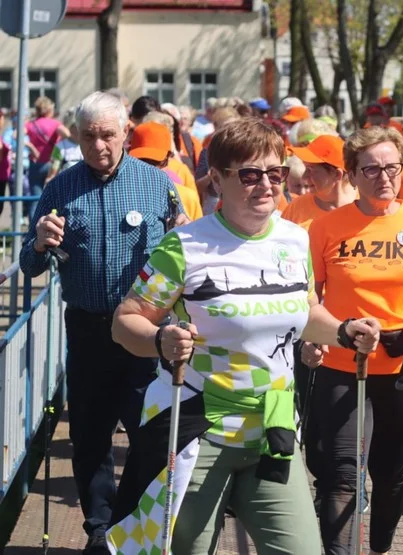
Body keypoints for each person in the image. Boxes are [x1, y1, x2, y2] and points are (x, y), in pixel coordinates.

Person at [106, 117, 381, 555]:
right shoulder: (184, 247)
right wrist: (161, 340)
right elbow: (126, 322)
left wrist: (345, 331)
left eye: (275, 174)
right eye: (250, 175)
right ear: (216, 178)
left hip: (272, 430)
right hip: (199, 430)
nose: (266, 185)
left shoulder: (294, 240)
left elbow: (306, 311)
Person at [18, 91, 185, 555]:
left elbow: (185, 253)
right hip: (89, 327)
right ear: (76, 136)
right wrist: (37, 244)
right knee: (90, 432)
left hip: (145, 326)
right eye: (89, 137)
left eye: (107, 135)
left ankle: (139, 520)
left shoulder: (158, 185)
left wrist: (183, 236)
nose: (99, 146)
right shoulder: (59, 188)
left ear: (125, 133)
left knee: (147, 428)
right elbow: (29, 267)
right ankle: (99, 525)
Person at [306, 126, 403, 554]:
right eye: (371, 169)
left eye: (392, 167)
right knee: (342, 476)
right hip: (342, 364)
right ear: (352, 174)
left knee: (388, 476)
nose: (383, 177)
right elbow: (309, 294)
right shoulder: (327, 227)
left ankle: (382, 546)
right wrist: (317, 336)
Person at [129, 121, 203, 221]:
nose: (148, 169)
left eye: (155, 162)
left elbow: (198, 234)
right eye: (142, 162)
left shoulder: (187, 197)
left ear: (168, 158)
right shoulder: (119, 194)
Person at [282, 134, 357, 230]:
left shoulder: (366, 205)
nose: (304, 176)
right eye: (305, 168)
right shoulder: (296, 209)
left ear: (337, 174)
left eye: (310, 169)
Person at [25, 96, 72, 221]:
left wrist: (31, 147)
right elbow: (67, 134)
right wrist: (59, 143)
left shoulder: (30, 124)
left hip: (35, 164)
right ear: (49, 110)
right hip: (52, 165)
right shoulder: (55, 124)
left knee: (35, 198)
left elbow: (15, 135)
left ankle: (33, 229)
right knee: (54, 197)